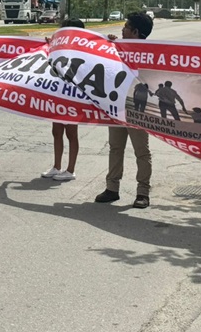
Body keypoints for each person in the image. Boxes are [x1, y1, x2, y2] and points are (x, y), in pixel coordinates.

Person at [95, 11, 154, 208]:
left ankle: (142, 192)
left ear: (136, 32)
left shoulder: (151, 53)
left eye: (126, 27)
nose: (122, 29)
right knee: (115, 147)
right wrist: (109, 44)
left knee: (141, 152)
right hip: (116, 107)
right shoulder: (118, 47)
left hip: (137, 109)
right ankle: (112, 188)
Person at [41, 18, 85, 182]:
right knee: (56, 131)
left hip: (73, 95)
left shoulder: (83, 50)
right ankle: (57, 166)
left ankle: (70, 169)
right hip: (58, 93)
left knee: (71, 133)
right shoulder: (59, 48)